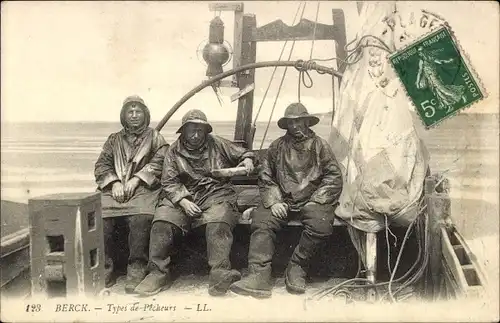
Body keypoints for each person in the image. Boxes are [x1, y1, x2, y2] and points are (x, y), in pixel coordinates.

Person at [135, 109, 255, 296]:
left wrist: (247, 160)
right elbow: (169, 181)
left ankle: (220, 273)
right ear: (183, 131)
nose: (196, 135)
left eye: (200, 130)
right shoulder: (173, 151)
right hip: (183, 196)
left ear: (206, 131)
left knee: (218, 221)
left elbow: (243, 153)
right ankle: (158, 273)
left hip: (216, 193)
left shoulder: (217, 143)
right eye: (192, 130)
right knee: (162, 222)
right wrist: (182, 201)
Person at [230, 102, 343, 298]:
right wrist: (274, 201)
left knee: (321, 225)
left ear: (307, 122)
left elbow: (333, 176)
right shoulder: (276, 147)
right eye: (291, 123)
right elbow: (265, 176)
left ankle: (297, 267)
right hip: (282, 199)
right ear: (286, 125)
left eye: (299, 122)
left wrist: (316, 200)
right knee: (261, 221)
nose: (296, 126)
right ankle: (258, 276)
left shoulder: (320, 146)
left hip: (312, 200)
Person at [94, 95, 168, 293]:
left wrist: (137, 178)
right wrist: (115, 181)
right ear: (124, 115)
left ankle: (136, 267)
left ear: (145, 114)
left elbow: (161, 162)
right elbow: (102, 165)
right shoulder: (113, 140)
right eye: (130, 111)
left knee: (141, 218)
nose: (134, 115)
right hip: (115, 189)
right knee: (100, 218)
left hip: (144, 188)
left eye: (138, 111)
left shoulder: (155, 137)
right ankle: (105, 268)